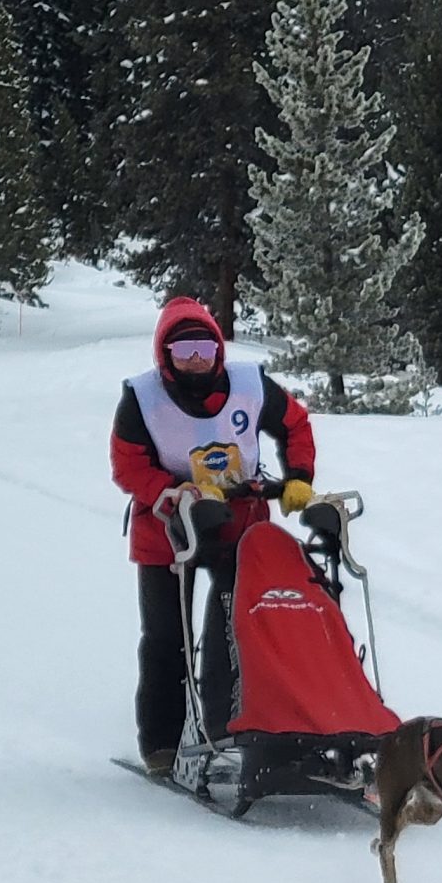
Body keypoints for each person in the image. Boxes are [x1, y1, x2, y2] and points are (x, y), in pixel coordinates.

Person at [111, 297, 319, 773]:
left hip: (240, 522)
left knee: (241, 627)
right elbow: (128, 466)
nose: (196, 360)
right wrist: (171, 491)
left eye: (204, 349)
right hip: (167, 529)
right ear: (164, 355)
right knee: (166, 637)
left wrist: (299, 476)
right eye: (183, 352)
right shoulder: (142, 399)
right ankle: (161, 744)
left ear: (218, 350)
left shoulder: (249, 385)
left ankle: (232, 727)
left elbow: (295, 423)